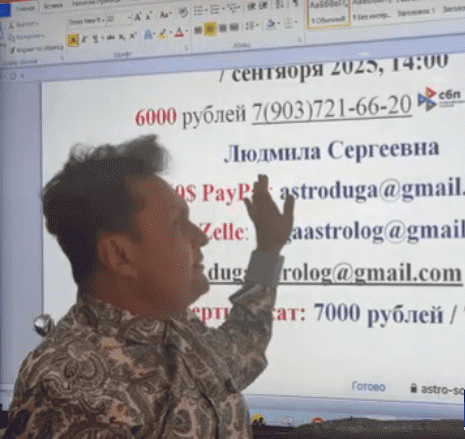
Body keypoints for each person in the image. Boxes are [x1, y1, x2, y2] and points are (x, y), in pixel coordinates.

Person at [1, 135, 294, 438]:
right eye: (177, 224)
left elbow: (240, 351)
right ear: (119, 255)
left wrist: (268, 249)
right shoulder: (66, 388)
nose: (201, 237)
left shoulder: (173, 326)